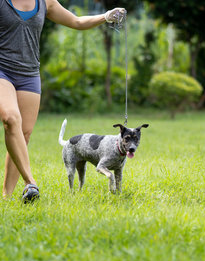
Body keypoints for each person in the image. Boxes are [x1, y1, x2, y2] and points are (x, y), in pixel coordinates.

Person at [0, 0, 126, 202]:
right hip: (2, 70)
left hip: (28, 74)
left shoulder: (44, 2)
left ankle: (5, 198)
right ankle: (31, 183)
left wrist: (105, 16)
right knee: (11, 118)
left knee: (23, 135)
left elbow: (76, 21)